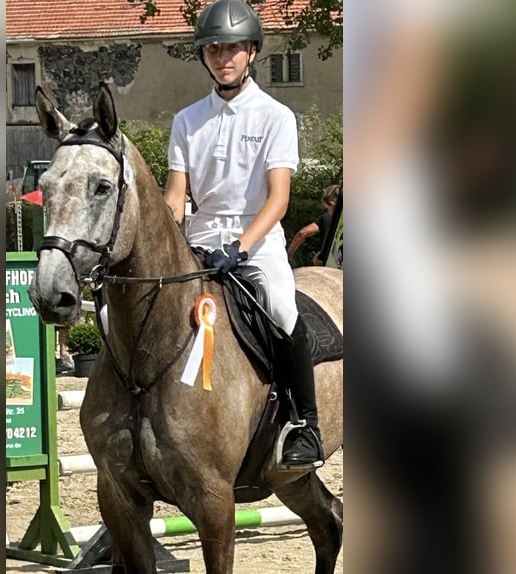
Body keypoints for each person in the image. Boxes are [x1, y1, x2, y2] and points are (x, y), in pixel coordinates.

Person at [164, 0, 323, 468]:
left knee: (279, 305)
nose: (222, 56)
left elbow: (278, 200)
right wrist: (166, 236)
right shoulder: (187, 120)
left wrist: (240, 248)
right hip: (200, 239)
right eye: (213, 49)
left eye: (232, 48)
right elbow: (176, 197)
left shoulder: (276, 116)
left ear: (251, 51)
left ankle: (304, 423)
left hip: (256, 239)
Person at [286, 184, 340, 265]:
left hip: (332, 265)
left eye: (327, 209)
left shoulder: (327, 217)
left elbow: (302, 233)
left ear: (332, 205)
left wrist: (288, 255)